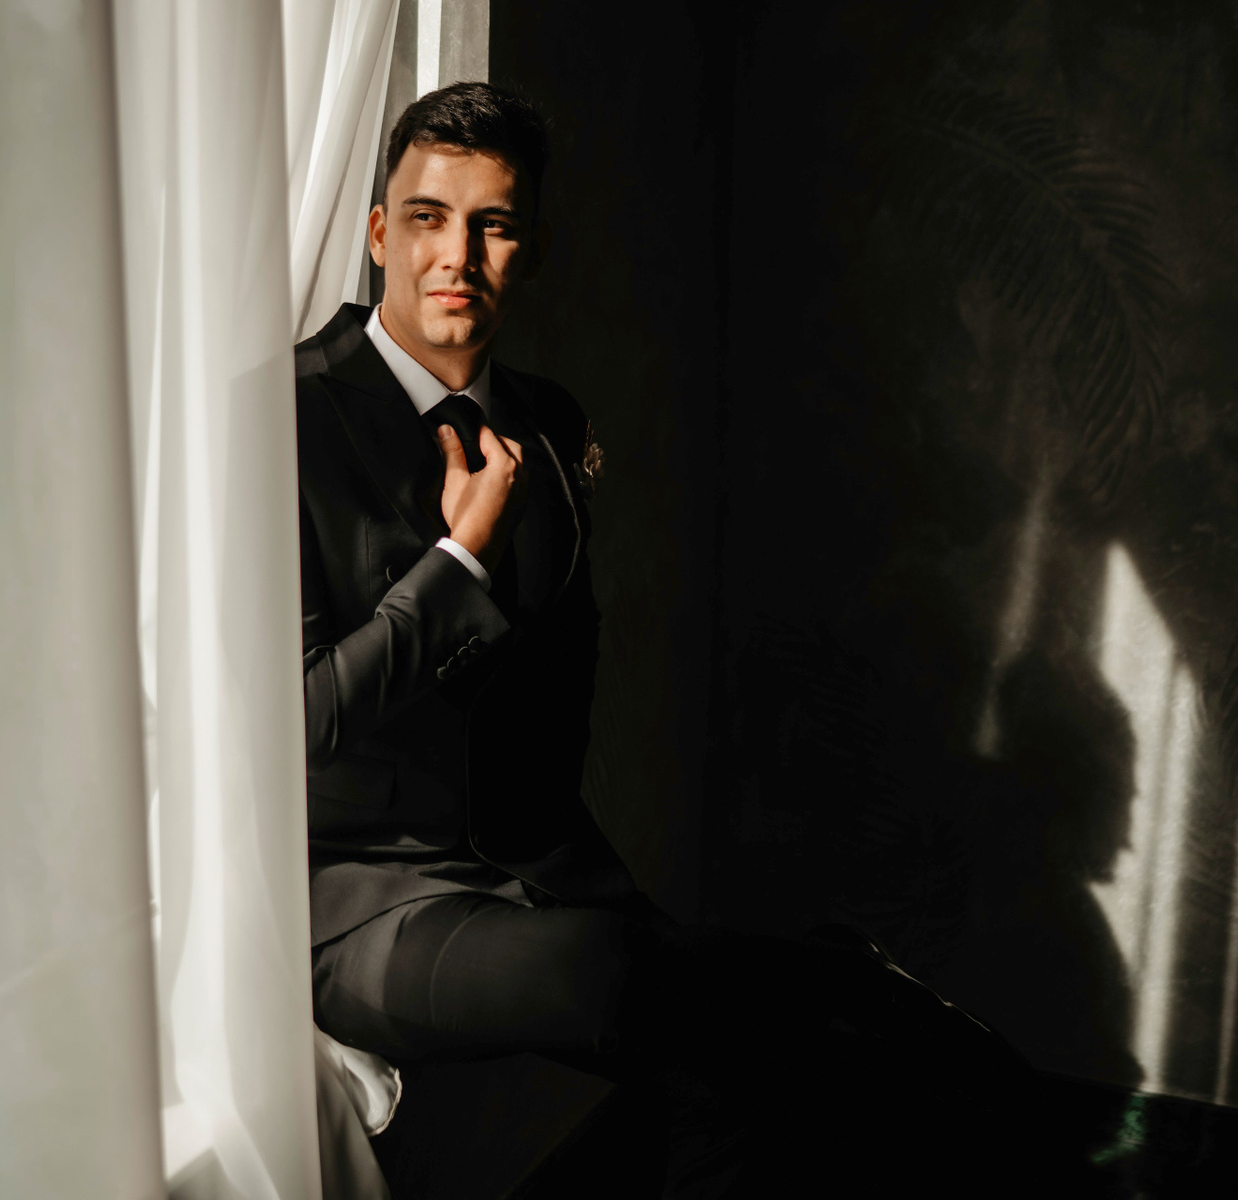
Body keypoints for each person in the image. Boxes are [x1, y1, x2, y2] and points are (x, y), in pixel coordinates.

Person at [295, 83, 1039, 1197]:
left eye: (494, 226)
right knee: (748, 1009)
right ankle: (868, 999)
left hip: (541, 875)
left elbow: (556, 688)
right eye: (427, 218)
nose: (457, 256)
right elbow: (296, 721)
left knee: (782, 1077)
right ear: (376, 234)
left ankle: (890, 1024)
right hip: (366, 910)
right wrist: (457, 565)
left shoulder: (548, 423)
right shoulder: (286, 417)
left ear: (532, 248)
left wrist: (581, 874)